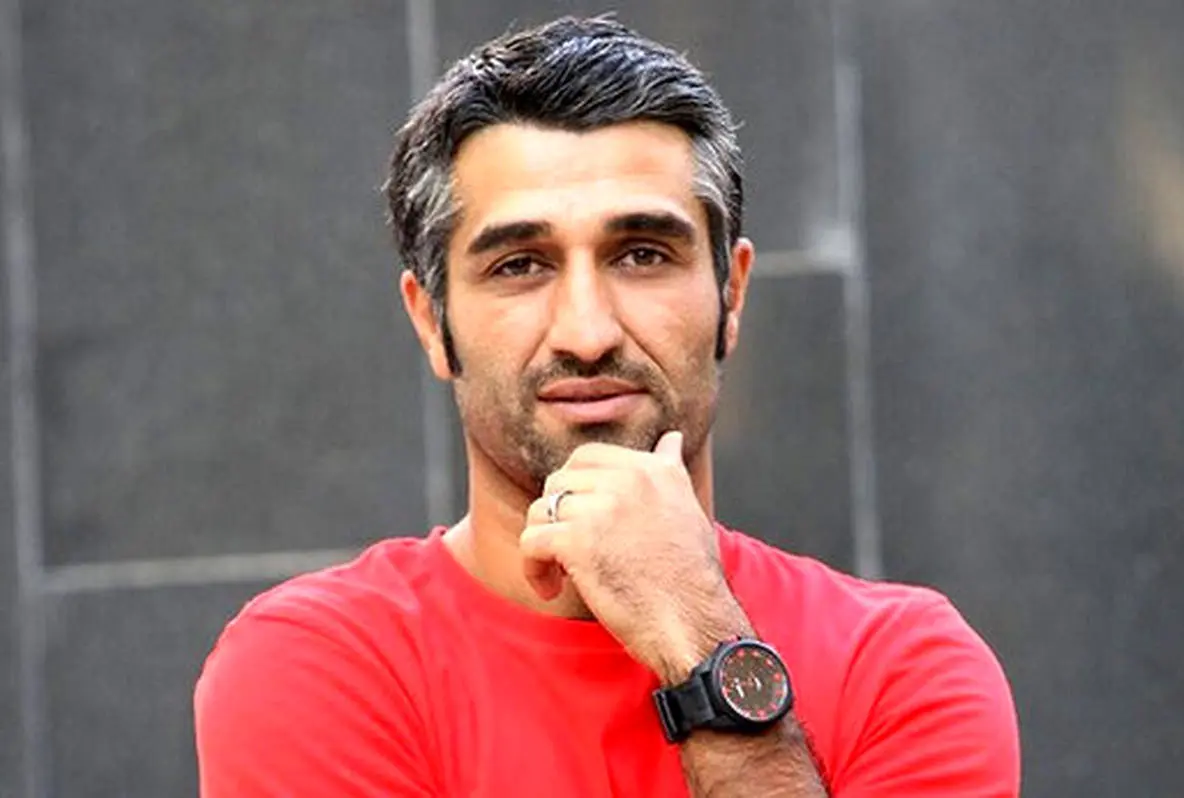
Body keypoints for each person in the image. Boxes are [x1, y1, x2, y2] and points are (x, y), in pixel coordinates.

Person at [194, 15, 1020, 797]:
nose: (587, 333)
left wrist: (701, 643)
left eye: (643, 255)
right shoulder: (318, 665)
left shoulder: (901, 667)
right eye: (520, 265)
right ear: (432, 323)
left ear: (730, 295)